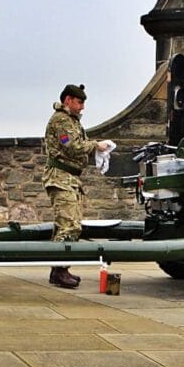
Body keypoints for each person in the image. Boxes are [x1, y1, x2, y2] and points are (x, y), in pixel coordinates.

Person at [43, 83, 113, 288]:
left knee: (68, 224)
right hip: (60, 178)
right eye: (79, 102)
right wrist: (95, 145)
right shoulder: (60, 121)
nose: (82, 107)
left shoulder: (71, 121)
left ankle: (59, 270)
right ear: (68, 100)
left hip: (69, 178)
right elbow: (71, 146)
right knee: (69, 225)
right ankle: (60, 270)